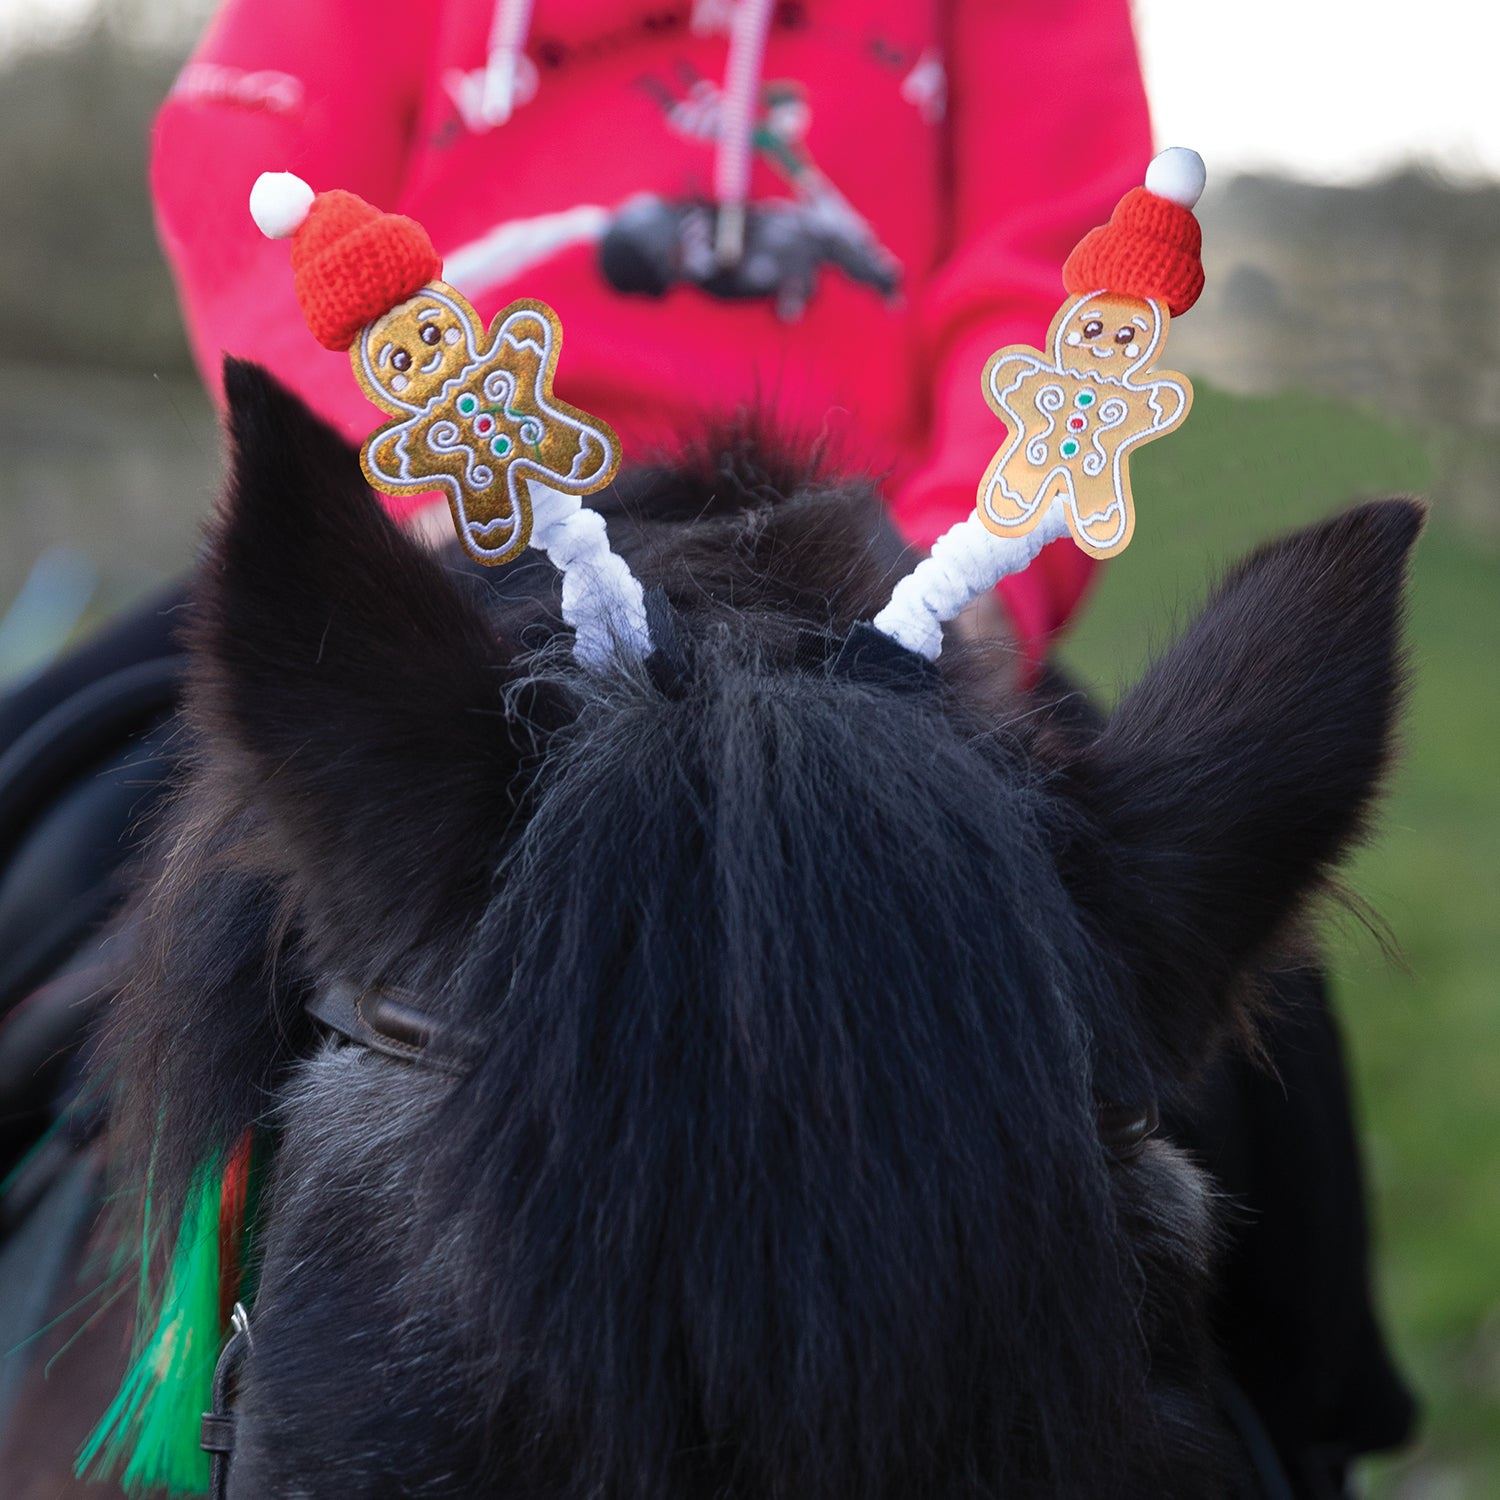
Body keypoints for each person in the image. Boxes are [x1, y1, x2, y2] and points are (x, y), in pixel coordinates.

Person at [149, 0, 1156, 664]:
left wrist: (969, 574)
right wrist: (412, 474)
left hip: (860, 575)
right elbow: (251, 159)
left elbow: (1062, 266)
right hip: (471, 530)